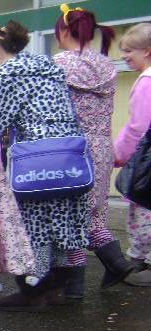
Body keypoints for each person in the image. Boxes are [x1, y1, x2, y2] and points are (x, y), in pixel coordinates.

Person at [0, 21, 89, 311]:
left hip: (36, 160)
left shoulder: (8, 73)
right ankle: (58, 285)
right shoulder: (46, 65)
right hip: (67, 156)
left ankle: (34, 290)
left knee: (33, 222)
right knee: (61, 218)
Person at [52, 5, 134, 297]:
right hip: (100, 147)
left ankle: (73, 286)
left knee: (70, 214)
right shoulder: (106, 65)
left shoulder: (59, 64)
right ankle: (117, 262)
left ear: (63, 30)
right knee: (93, 213)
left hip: (70, 149)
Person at [113, 23, 151, 287]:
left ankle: (142, 260)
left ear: (147, 51)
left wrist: (119, 153)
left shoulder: (147, 81)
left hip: (147, 161)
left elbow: (139, 126)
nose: (124, 56)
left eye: (128, 51)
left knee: (143, 209)